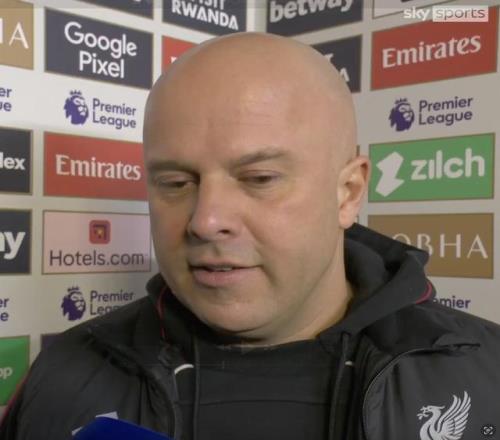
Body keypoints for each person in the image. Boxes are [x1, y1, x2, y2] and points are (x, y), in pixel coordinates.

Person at [1, 32, 499, 440]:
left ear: (348, 192)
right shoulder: (63, 374)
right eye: (175, 182)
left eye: (259, 178)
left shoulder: (487, 373)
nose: (205, 220)